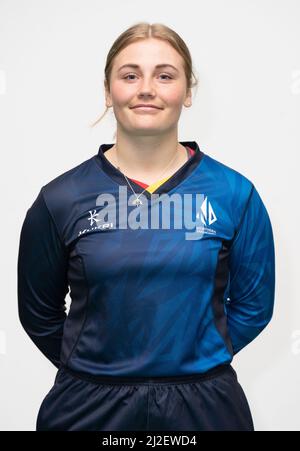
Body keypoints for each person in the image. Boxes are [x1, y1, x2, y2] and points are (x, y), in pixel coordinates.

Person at [17, 22, 275, 431]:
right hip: (89, 407)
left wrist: (195, 361)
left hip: (205, 407)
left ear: (188, 92)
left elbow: (254, 307)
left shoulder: (234, 194)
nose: (147, 89)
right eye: (130, 75)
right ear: (108, 90)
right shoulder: (61, 199)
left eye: (165, 75)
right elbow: (39, 314)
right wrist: (98, 368)